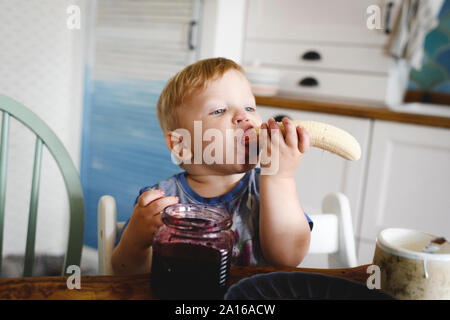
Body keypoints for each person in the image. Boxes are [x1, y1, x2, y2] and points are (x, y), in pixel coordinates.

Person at [111, 57, 313, 275]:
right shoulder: (160, 202)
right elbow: (127, 273)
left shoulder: (270, 188)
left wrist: (280, 177)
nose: (243, 116)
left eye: (249, 106)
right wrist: (136, 240)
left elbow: (288, 259)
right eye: (219, 110)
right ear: (181, 144)